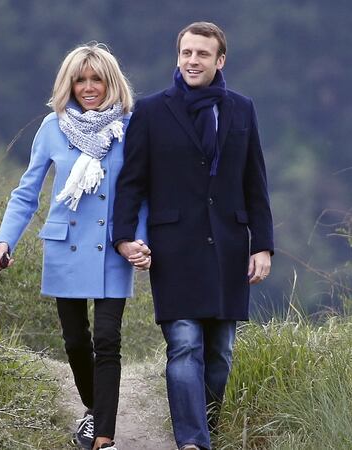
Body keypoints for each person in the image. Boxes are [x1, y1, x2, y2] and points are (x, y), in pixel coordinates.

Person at [112, 22, 273, 450]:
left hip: (229, 247)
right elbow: (132, 181)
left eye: (202, 54)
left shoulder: (242, 109)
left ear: (220, 60)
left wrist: (263, 245)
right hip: (174, 248)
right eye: (186, 53)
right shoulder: (151, 111)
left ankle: (207, 431)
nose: (192, 61)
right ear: (177, 57)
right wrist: (123, 236)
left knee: (220, 354)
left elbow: (255, 181)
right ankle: (192, 442)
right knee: (184, 345)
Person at [0, 43, 149, 450]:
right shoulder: (53, 127)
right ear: (69, 83)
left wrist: (140, 239)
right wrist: (5, 241)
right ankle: (94, 410)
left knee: (109, 340)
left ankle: (104, 438)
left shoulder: (131, 128)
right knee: (76, 341)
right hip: (65, 246)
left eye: (97, 79)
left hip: (114, 246)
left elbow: (143, 192)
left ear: (111, 82)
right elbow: (27, 193)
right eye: (81, 79)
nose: (89, 87)